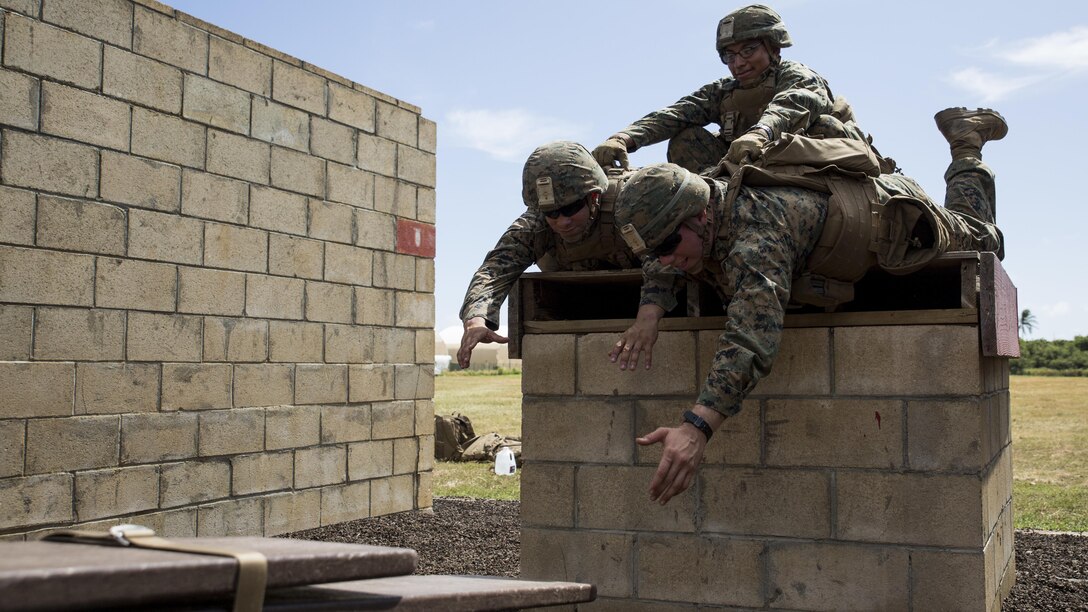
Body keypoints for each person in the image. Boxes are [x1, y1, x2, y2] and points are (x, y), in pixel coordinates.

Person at [609, 107, 1008, 505]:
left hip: (900, 218)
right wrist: (649, 312)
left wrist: (696, 427)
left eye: (667, 247)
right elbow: (659, 257)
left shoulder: (757, 233)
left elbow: (751, 337)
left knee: (986, 240)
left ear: (699, 216)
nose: (663, 260)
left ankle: (965, 143)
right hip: (834, 224)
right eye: (652, 251)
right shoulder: (701, 198)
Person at [592, 4, 858, 174]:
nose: (738, 63)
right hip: (745, 176)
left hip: (807, 174)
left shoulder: (797, 75)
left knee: (825, 126)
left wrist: (760, 133)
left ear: (774, 48)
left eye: (748, 50)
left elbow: (792, 103)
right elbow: (676, 114)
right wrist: (623, 138)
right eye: (729, 56)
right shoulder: (724, 92)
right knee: (687, 138)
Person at [456, 141, 648, 368]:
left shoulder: (633, 203)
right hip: (577, 301)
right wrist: (476, 319)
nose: (562, 222)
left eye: (570, 209)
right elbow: (495, 269)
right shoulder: (535, 224)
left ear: (593, 197)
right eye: (552, 212)